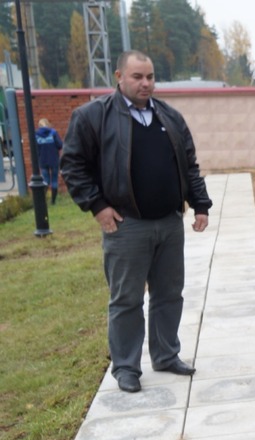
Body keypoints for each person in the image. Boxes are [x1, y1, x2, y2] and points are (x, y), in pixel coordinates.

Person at [61, 50, 211, 394]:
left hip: (169, 223)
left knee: (169, 294)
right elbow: (73, 166)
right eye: (137, 77)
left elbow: (189, 165)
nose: (146, 84)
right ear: (119, 76)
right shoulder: (92, 117)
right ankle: (126, 367)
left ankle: (166, 354)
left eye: (150, 77)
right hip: (127, 226)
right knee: (126, 299)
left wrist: (200, 203)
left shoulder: (169, 117)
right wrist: (97, 206)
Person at [34, 118, 63, 204]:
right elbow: (60, 145)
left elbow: (35, 149)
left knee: (45, 180)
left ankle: (42, 200)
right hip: (54, 160)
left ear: (39, 126)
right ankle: (53, 201)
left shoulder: (36, 135)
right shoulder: (53, 133)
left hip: (43, 160)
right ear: (48, 124)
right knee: (54, 180)